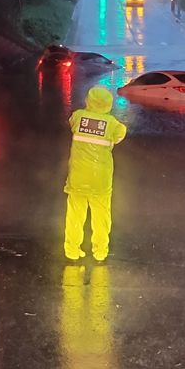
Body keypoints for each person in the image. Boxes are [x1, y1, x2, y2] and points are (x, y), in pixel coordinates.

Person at [64, 86, 126, 262]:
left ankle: (72, 250)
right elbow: (120, 134)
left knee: (75, 215)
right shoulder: (112, 123)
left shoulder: (78, 116)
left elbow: (72, 123)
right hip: (101, 179)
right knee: (101, 217)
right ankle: (100, 252)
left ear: (88, 101)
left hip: (78, 176)